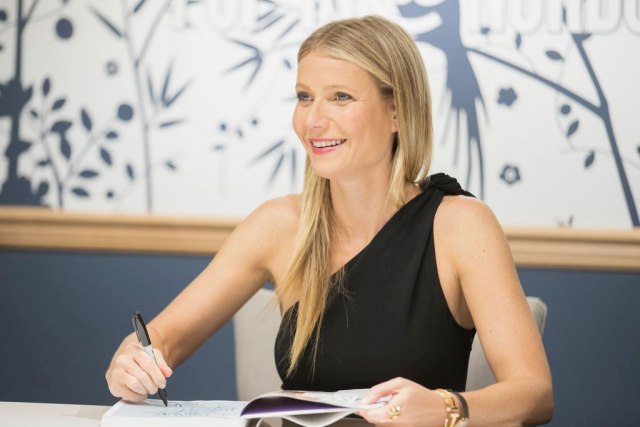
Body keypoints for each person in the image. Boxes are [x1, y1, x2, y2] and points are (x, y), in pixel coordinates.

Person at [106, 15, 553, 426]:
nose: (313, 120)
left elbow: (534, 394)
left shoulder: (461, 225)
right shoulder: (278, 224)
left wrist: (445, 408)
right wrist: (130, 364)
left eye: (340, 97)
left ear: (397, 111)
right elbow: (162, 337)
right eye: (305, 97)